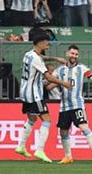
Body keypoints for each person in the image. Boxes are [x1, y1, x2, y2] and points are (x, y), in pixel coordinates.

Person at [51, 45, 92, 163]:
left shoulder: (82, 68)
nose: (74, 56)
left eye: (76, 54)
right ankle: (68, 156)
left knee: (83, 126)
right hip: (64, 106)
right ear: (67, 54)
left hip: (77, 104)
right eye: (72, 53)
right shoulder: (59, 70)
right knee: (63, 131)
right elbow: (51, 81)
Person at [15, 33, 72, 163]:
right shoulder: (36, 59)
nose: (48, 44)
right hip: (34, 94)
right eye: (46, 42)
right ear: (39, 42)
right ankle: (40, 150)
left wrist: (55, 59)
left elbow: (41, 57)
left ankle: (21, 146)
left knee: (32, 118)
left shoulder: (28, 54)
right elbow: (48, 77)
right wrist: (64, 83)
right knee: (47, 120)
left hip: (24, 93)